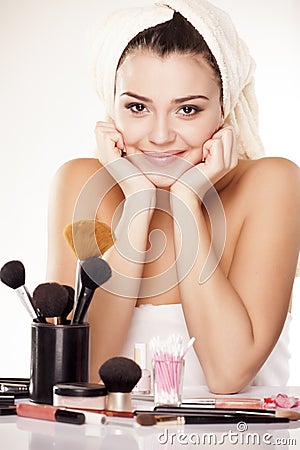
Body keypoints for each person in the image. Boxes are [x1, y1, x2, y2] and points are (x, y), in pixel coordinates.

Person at [46, 0, 300, 393]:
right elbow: (79, 376)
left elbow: (228, 373)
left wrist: (185, 203)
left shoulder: (271, 184)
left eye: (187, 109)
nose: (161, 136)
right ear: (111, 109)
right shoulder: (81, 183)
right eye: (137, 107)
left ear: (224, 108)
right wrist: (137, 202)